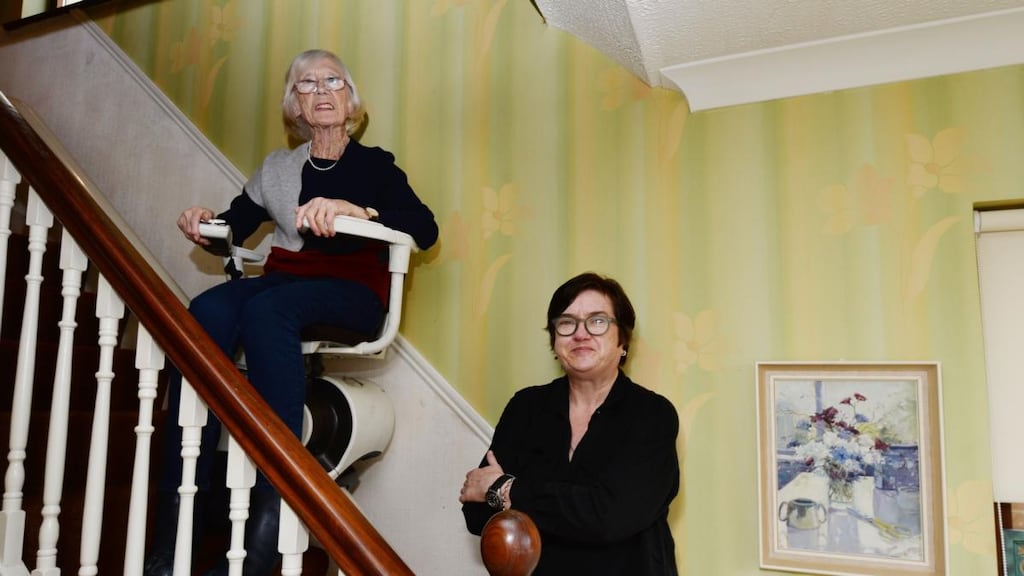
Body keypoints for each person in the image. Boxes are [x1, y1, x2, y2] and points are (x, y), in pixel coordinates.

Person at [144, 49, 438, 576]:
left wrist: (358, 210)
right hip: (284, 283)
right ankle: (173, 536)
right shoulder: (278, 168)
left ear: (350, 101)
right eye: (307, 84)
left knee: (266, 311)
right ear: (295, 106)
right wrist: (203, 222)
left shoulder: (376, 166)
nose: (322, 91)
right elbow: (234, 224)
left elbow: (424, 225)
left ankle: (264, 536)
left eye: (333, 81)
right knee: (204, 310)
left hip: (353, 291)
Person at [460, 272, 680, 575]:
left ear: (623, 341)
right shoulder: (526, 407)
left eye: (598, 321)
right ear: (554, 340)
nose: (581, 333)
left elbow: (610, 518)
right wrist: (571, 505)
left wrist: (504, 488)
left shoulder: (652, 415)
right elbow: (476, 512)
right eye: (566, 323)